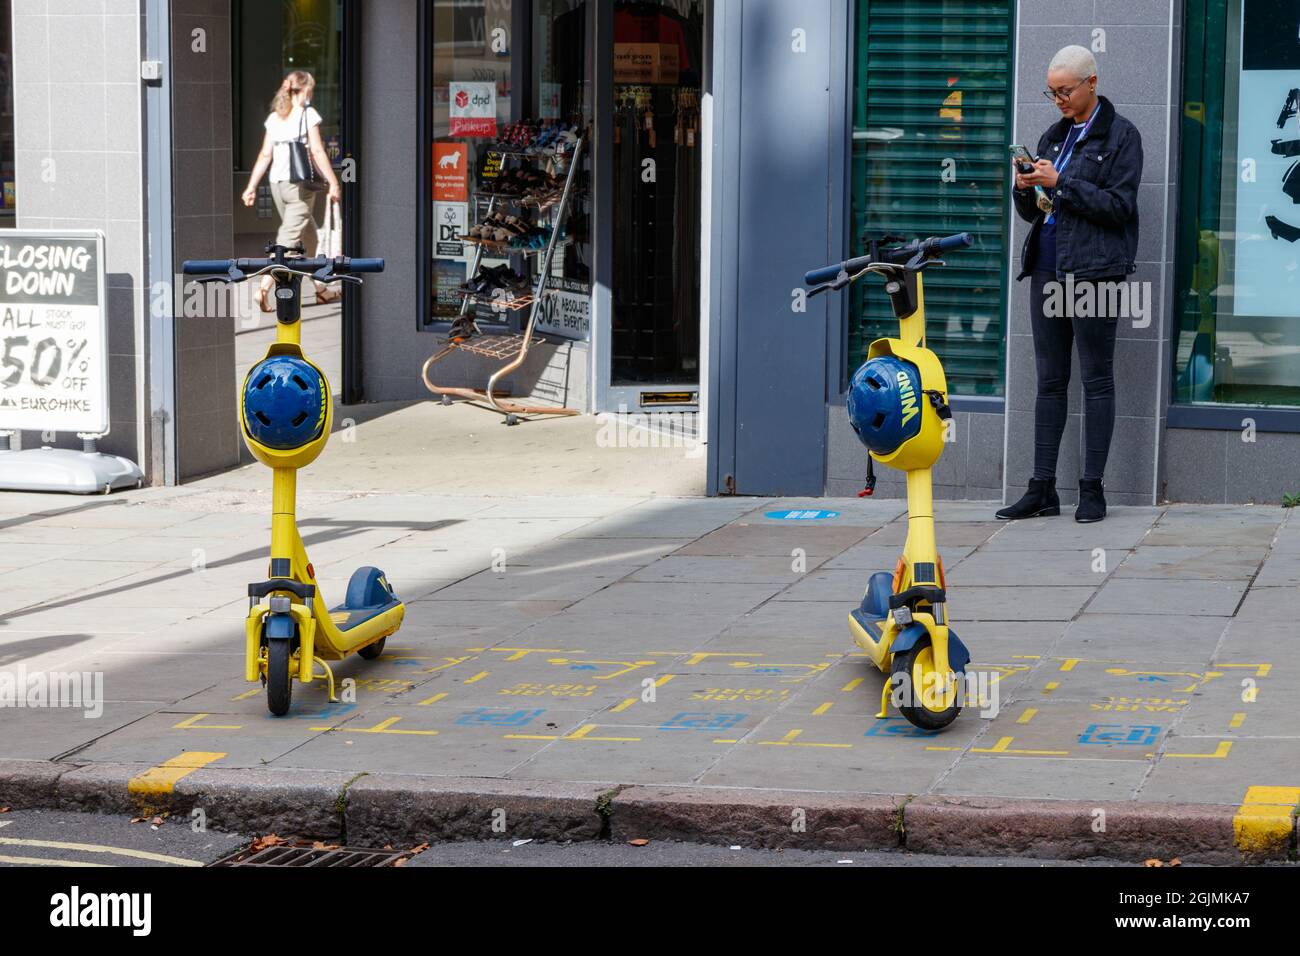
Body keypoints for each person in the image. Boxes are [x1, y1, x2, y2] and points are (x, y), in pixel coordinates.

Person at [999, 45, 1143, 524]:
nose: (1058, 99)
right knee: (1049, 380)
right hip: (1047, 266)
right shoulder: (1053, 135)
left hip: (1094, 271)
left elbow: (1118, 207)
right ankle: (1041, 488)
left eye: (1065, 90)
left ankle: (1091, 490)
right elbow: (1039, 210)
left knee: (1096, 379)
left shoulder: (1122, 136)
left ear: (1091, 83)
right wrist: (1025, 188)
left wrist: (1060, 182)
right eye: (1052, 91)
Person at [241, 70, 343, 312]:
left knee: (307, 239)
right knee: (287, 240)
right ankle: (264, 287)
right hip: (300, 186)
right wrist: (334, 182)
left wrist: (252, 186)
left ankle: (321, 290)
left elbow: (265, 155)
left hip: (277, 184)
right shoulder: (308, 115)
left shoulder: (275, 117)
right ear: (306, 90)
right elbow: (318, 152)